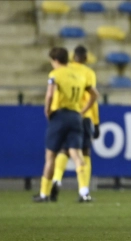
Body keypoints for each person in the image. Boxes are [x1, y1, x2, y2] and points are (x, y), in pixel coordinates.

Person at [33, 47, 98, 202]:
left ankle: (44, 193)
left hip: (60, 115)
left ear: (55, 60)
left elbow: (50, 94)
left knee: (51, 156)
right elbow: (95, 94)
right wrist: (83, 111)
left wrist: (47, 110)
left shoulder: (55, 74)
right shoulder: (79, 74)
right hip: (77, 117)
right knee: (77, 154)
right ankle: (84, 191)